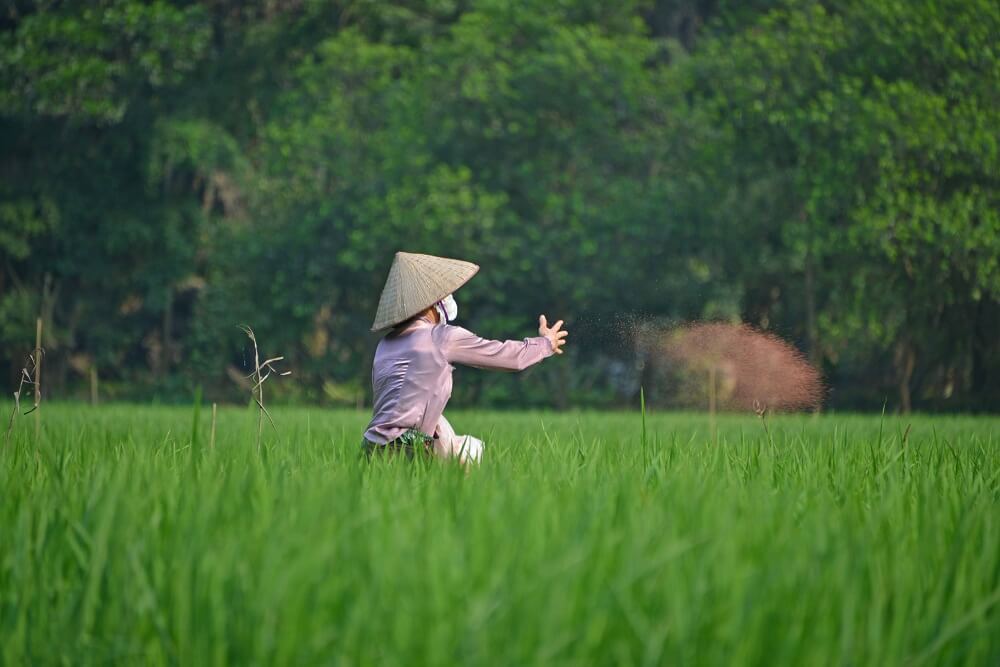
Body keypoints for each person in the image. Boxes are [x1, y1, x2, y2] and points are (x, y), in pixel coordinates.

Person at [362, 251, 568, 463]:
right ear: (433, 303)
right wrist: (546, 344)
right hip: (408, 449)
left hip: (370, 448)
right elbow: (508, 358)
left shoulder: (384, 345)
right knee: (471, 451)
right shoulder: (440, 337)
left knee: (445, 432)